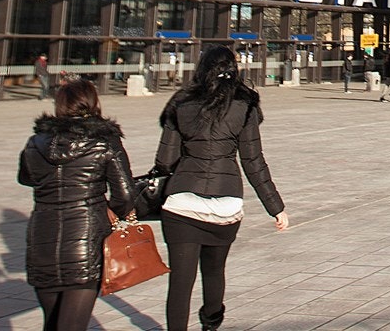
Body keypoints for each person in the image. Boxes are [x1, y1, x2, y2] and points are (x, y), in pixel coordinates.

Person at [155, 46, 289, 331]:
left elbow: (164, 161)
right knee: (214, 271)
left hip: (181, 203)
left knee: (180, 280)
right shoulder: (245, 103)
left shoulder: (181, 102)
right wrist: (275, 207)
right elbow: (253, 161)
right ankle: (211, 324)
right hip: (225, 202)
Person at [17, 77, 136, 331]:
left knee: (52, 323)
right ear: (93, 103)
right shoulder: (105, 142)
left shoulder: (35, 142)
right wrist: (111, 215)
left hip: (43, 239)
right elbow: (125, 196)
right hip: (86, 241)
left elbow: (26, 178)